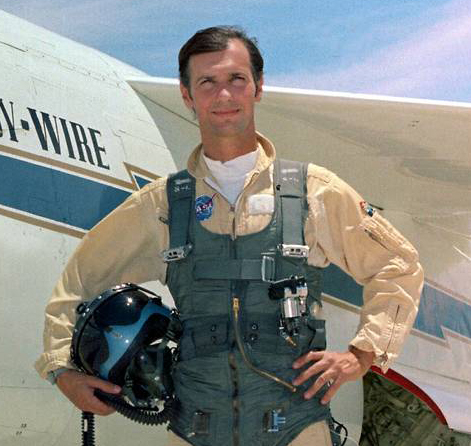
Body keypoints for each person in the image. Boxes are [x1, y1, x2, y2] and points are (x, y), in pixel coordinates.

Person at [35, 26, 424, 446]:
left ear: (258, 87)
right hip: (194, 429)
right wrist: (61, 368)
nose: (223, 95)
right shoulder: (161, 206)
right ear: (187, 94)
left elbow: (398, 264)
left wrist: (361, 355)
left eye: (236, 79)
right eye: (207, 82)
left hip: (295, 430)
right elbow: (77, 281)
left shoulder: (314, 192)